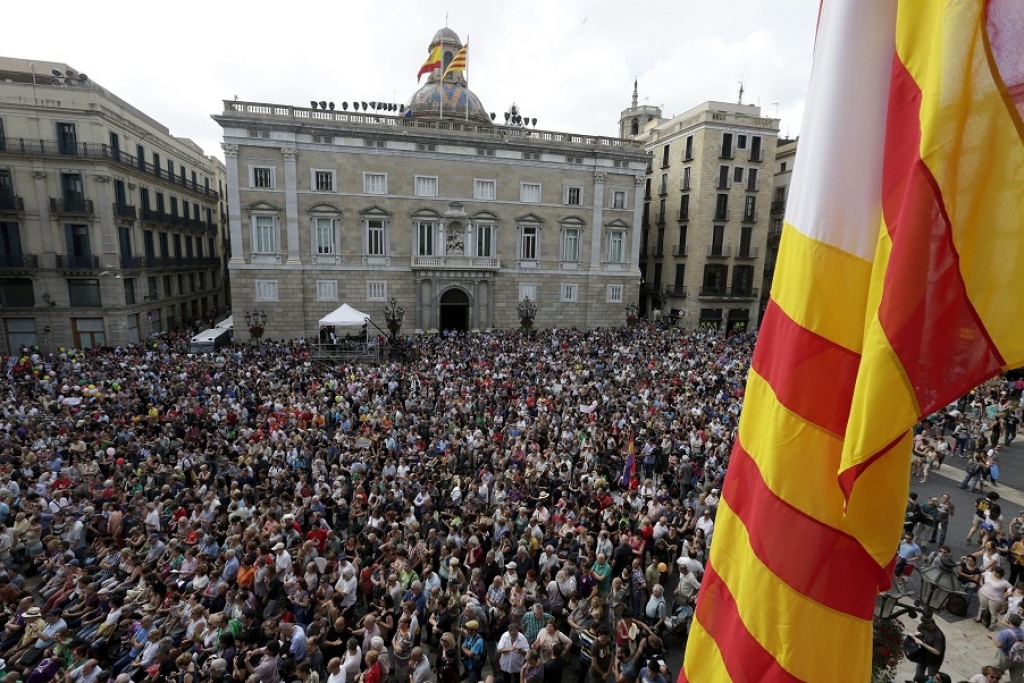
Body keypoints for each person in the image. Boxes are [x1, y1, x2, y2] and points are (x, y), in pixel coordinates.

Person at [990, 613, 1024, 682]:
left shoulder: (1005, 633)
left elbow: (999, 645)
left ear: (1009, 621)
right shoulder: (1022, 633)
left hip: (1005, 657)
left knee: (995, 673)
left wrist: (992, 637)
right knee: (1017, 678)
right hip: (1019, 658)